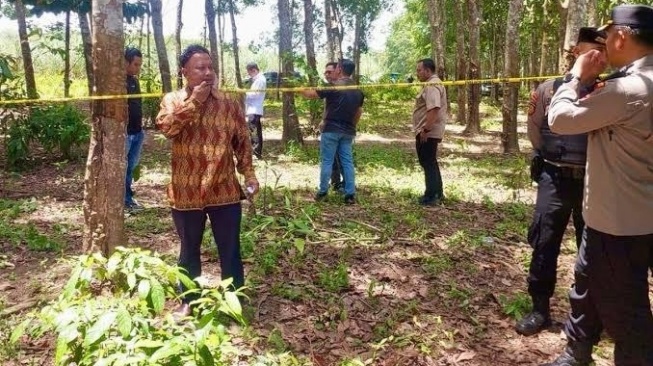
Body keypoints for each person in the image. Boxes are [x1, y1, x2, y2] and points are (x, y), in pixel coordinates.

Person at [543, 5, 653, 365]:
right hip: (619, 213)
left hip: (619, 223)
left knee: (629, 318)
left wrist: (575, 78)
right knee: (586, 280)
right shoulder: (634, 83)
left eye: (606, 36)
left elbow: (560, 118)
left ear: (621, 35)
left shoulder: (628, 89)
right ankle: (577, 349)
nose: (603, 43)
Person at [155, 45, 259, 318]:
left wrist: (249, 174)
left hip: (224, 188)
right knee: (189, 249)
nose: (208, 73)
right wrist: (195, 103)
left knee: (230, 248)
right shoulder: (172, 99)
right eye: (200, 68)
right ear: (184, 72)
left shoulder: (228, 102)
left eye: (210, 67)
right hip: (186, 191)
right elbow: (167, 128)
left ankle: (234, 300)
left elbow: (242, 142)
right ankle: (189, 301)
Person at [515, 27, 606, 337]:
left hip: (594, 182)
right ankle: (539, 309)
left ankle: (586, 317)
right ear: (576, 54)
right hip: (553, 178)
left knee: (591, 248)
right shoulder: (548, 90)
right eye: (591, 53)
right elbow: (535, 130)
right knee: (544, 242)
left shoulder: (609, 91)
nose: (598, 60)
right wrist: (547, 157)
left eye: (602, 54)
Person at [301, 59, 364, 205]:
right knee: (347, 162)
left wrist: (297, 88)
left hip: (331, 130)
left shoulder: (334, 86)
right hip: (348, 131)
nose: (334, 71)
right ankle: (350, 194)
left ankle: (322, 192)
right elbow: (359, 111)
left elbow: (311, 94)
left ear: (340, 69)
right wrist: (351, 126)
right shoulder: (358, 91)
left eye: (336, 68)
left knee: (327, 161)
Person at [412, 58, 447, 206]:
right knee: (430, 161)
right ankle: (437, 192)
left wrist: (426, 129)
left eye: (419, 70)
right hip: (428, 130)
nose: (417, 73)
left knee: (427, 162)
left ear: (427, 70)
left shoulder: (432, 84)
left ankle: (431, 195)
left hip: (428, 131)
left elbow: (433, 109)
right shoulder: (431, 83)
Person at [125, 47, 145, 210]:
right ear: (126, 62)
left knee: (130, 167)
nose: (138, 68)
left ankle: (128, 198)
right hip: (125, 134)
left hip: (137, 132)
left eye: (140, 65)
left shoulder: (134, 81)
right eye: (136, 64)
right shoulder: (118, 81)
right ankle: (123, 199)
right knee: (122, 167)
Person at [321, 61, 345, 192]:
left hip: (343, 128)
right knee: (332, 157)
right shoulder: (330, 88)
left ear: (338, 71)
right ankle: (335, 183)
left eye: (329, 72)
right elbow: (328, 107)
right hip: (330, 127)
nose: (327, 75)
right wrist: (323, 120)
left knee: (343, 157)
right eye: (325, 72)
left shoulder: (344, 88)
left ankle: (346, 184)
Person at [245, 62, 266, 159]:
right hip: (253, 109)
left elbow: (254, 94)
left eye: (249, 73)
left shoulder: (260, 80)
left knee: (254, 131)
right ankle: (256, 152)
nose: (249, 75)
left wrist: (245, 93)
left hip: (254, 109)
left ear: (253, 70)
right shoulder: (257, 80)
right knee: (254, 130)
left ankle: (256, 153)